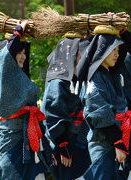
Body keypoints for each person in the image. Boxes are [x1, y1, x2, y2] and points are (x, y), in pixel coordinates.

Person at [0, 20, 50, 180]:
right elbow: (5, 59)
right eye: (18, 52)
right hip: (11, 138)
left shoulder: (17, 77)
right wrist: (17, 31)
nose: (22, 56)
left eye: (24, 52)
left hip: (27, 136)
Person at [78, 25, 130, 179]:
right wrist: (118, 142)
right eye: (113, 50)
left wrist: (122, 31)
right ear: (103, 49)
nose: (116, 54)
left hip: (118, 142)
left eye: (118, 51)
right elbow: (99, 112)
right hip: (104, 144)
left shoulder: (112, 74)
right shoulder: (94, 77)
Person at [41, 33, 92, 180]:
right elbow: (52, 115)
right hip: (64, 145)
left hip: (79, 141)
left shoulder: (75, 77)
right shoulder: (58, 81)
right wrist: (63, 144)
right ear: (71, 55)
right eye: (80, 53)